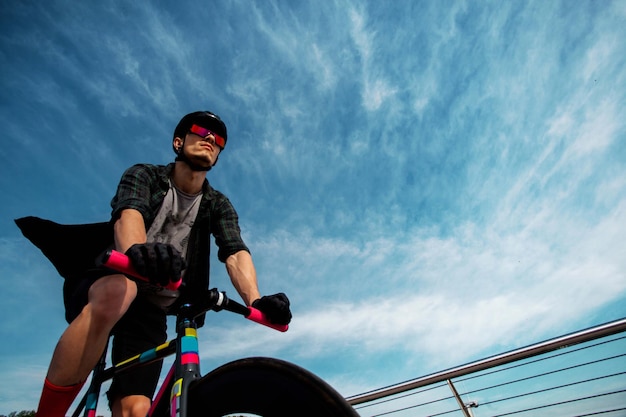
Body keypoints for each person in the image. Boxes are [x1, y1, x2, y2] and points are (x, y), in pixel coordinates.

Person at [17, 111, 292, 417]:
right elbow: (128, 214)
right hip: (110, 278)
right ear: (178, 142)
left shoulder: (218, 204)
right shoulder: (145, 175)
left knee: (136, 409)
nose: (211, 138)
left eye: (219, 138)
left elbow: (234, 250)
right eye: (201, 130)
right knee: (118, 291)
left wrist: (255, 300)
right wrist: (138, 251)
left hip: (153, 306)